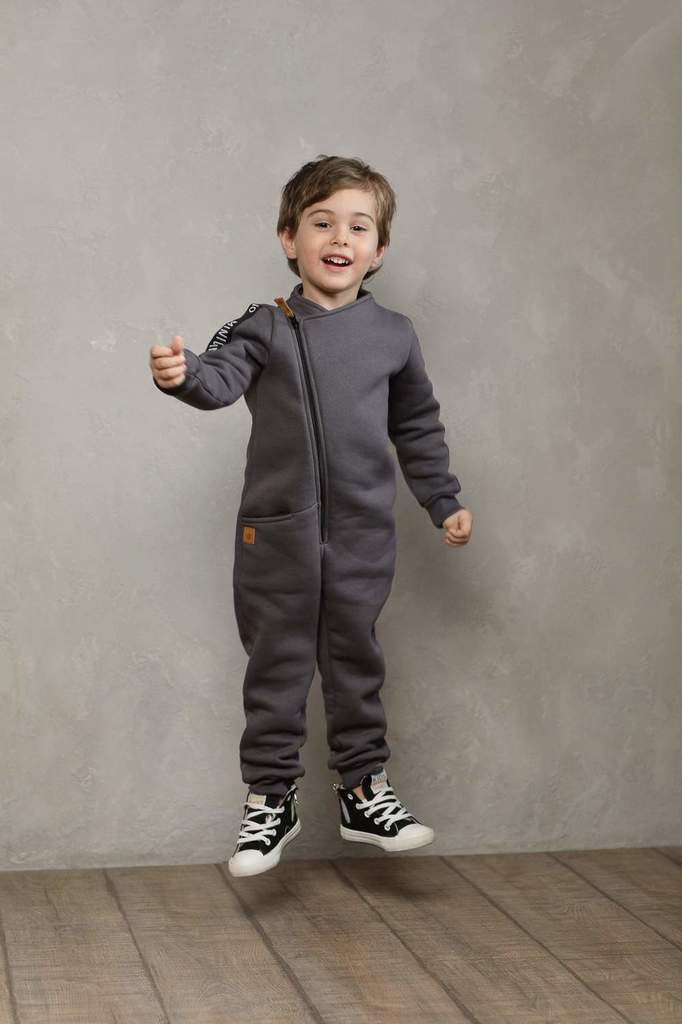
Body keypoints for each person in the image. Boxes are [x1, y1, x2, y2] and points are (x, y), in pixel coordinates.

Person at [149, 154, 473, 877]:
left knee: (356, 660)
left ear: (378, 250)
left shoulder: (394, 334)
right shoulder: (264, 325)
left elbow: (417, 427)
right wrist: (182, 375)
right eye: (322, 223)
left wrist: (443, 500)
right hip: (276, 537)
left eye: (358, 227)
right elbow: (217, 378)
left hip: (362, 536)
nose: (340, 238)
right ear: (288, 238)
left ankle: (363, 792)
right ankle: (270, 799)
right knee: (278, 665)